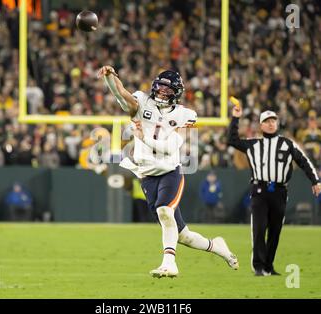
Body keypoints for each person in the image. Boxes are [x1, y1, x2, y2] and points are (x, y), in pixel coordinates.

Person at [98, 65, 239, 278]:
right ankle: (218, 246)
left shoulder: (185, 115)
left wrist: (143, 137)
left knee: (165, 212)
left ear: (177, 93)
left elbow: (170, 147)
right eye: (161, 87)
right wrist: (110, 76)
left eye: (168, 89)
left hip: (169, 172)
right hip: (146, 176)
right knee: (184, 236)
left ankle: (169, 263)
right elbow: (121, 92)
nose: (163, 92)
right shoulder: (142, 102)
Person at [227, 101, 321, 276]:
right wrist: (235, 118)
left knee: (275, 230)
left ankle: (268, 266)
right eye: (267, 121)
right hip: (259, 191)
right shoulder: (253, 144)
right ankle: (258, 266)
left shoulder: (287, 144)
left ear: (277, 123)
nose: (271, 124)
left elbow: (304, 161)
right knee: (259, 228)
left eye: (273, 121)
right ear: (261, 125)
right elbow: (232, 140)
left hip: (279, 191)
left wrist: (315, 181)